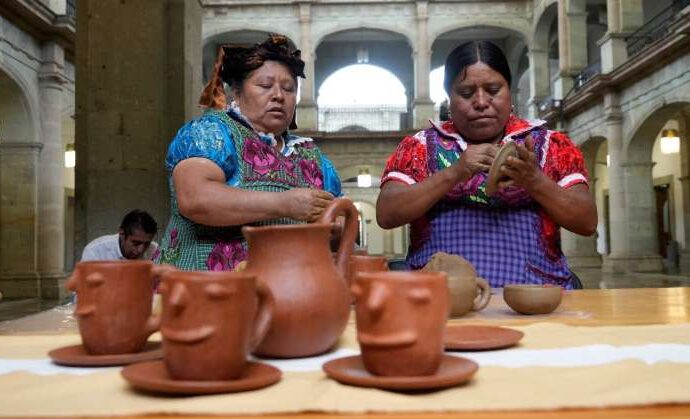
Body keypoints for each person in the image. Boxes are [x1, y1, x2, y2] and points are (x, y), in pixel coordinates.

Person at [376, 41, 597, 289]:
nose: (481, 102)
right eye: (467, 93)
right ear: (449, 100)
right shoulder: (421, 147)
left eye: (493, 89)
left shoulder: (548, 146)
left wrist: (534, 181)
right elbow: (386, 213)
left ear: (509, 92)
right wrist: (454, 173)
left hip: (533, 299)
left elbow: (586, 222)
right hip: (441, 299)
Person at [156, 34, 342, 271]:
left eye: (289, 89)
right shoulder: (212, 131)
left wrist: (335, 226)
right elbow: (196, 199)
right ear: (236, 92)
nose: (278, 95)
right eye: (265, 86)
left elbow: (337, 225)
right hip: (201, 290)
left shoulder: (311, 156)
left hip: (289, 290)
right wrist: (284, 204)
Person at [81, 209, 159, 261]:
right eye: (136, 243)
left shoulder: (155, 251)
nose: (141, 250)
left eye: (147, 244)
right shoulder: (95, 251)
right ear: (122, 233)